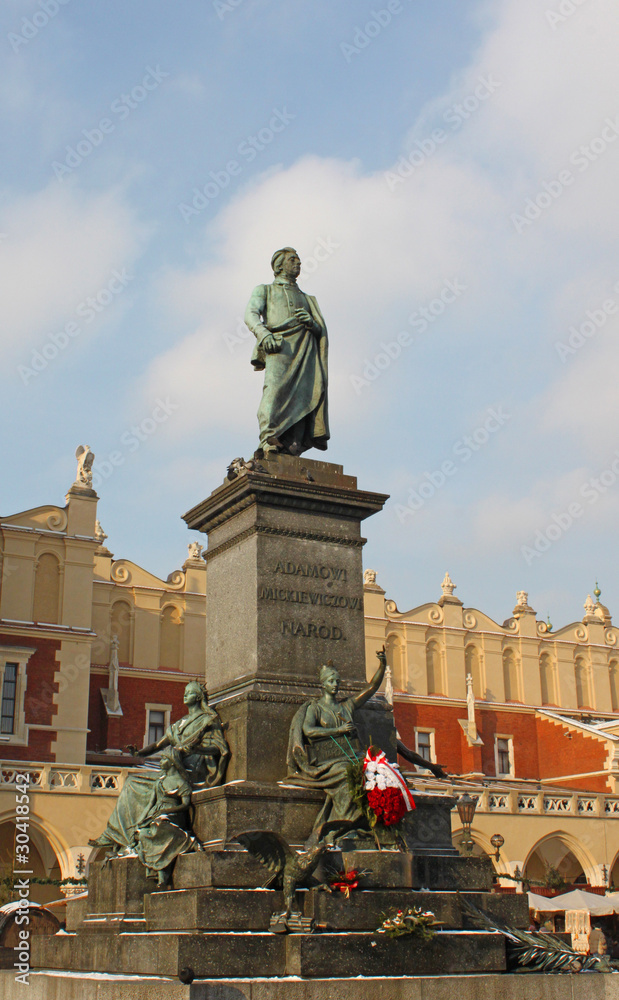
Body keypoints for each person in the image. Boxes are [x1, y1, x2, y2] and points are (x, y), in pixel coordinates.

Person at [89, 681, 229, 854]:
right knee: (132, 781)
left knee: (140, 785)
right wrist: (140, 753)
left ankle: (130, 834)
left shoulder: (208, 720)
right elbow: (158, 744)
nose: (185, 695)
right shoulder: (181, 723)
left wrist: (197, 749)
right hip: (172, 770)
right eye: (185, 692)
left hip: (190, 773)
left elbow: (219, 748)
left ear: (199, 697)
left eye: (190, 693)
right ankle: (118, 834)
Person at [286, 648, 386, 838]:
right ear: (323, 685)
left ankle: (374, 822)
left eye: (337, 681)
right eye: (331, 681)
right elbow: (308, 730)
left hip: (349, 754)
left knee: (376, 769)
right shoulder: (315, 708)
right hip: (326, 760)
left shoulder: (346, 705)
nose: (335, 685)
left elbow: (371, 687)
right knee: (346, 772)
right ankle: (344, 826)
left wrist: (383, 665)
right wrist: (338, 730)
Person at [244, 247, 329, 456]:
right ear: (279, 265)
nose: (298, 263)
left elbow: (320, 330)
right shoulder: (265, 290)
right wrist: (264, 334)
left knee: (306, 395)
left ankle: (294, 445)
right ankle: (268, 438)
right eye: (293, 260)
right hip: (279, 345)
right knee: (273, 391)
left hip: (306, 349)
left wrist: (313, 324)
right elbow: (250, 314)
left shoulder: (308, 299)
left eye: (299, 260)